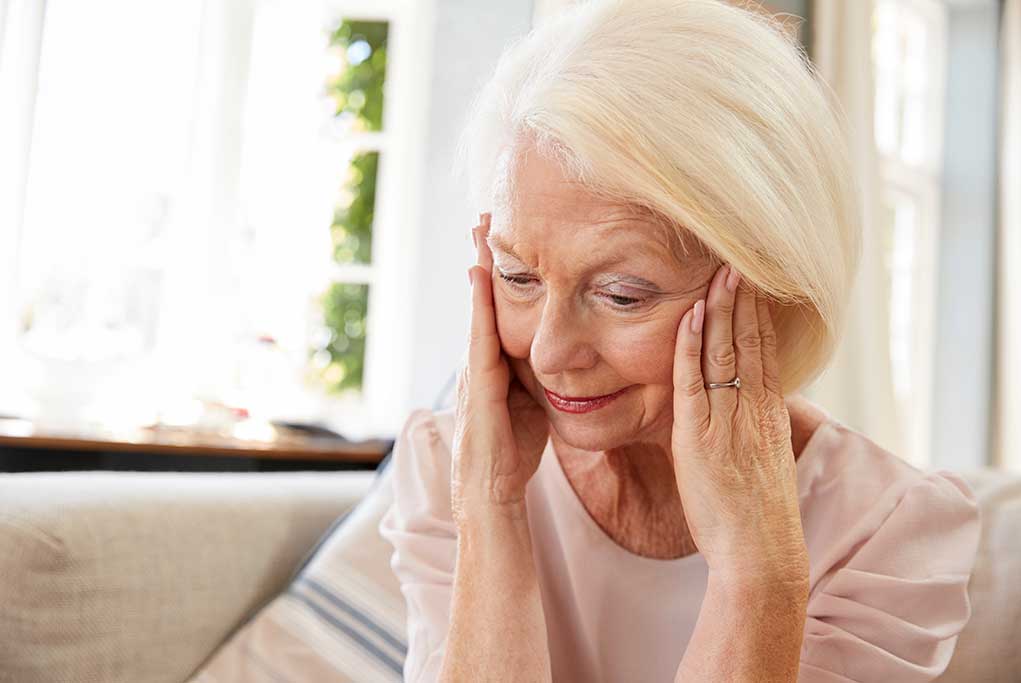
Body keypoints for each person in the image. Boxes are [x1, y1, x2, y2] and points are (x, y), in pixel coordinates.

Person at [379, 1, 981, 681]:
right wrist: (491, 506)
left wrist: (757, 572)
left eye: (621, 295)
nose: (549, 351)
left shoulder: (891, 530)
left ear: (768, 285)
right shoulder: (447, 466)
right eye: (518, 276)